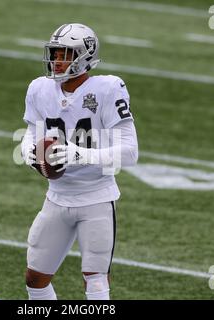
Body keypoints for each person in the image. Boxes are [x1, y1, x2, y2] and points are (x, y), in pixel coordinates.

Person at [20, 23, 138, 300]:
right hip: (57, 197)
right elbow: (31, 132)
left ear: (85, 56)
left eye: (65, 54)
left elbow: (130, 152)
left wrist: (81, 154)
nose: (56, 61)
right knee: (35, 278)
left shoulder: (108, 88)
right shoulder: (39, 88)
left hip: (95, 197)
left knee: (95, 281)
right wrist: (29, 152)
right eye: (55, 53)